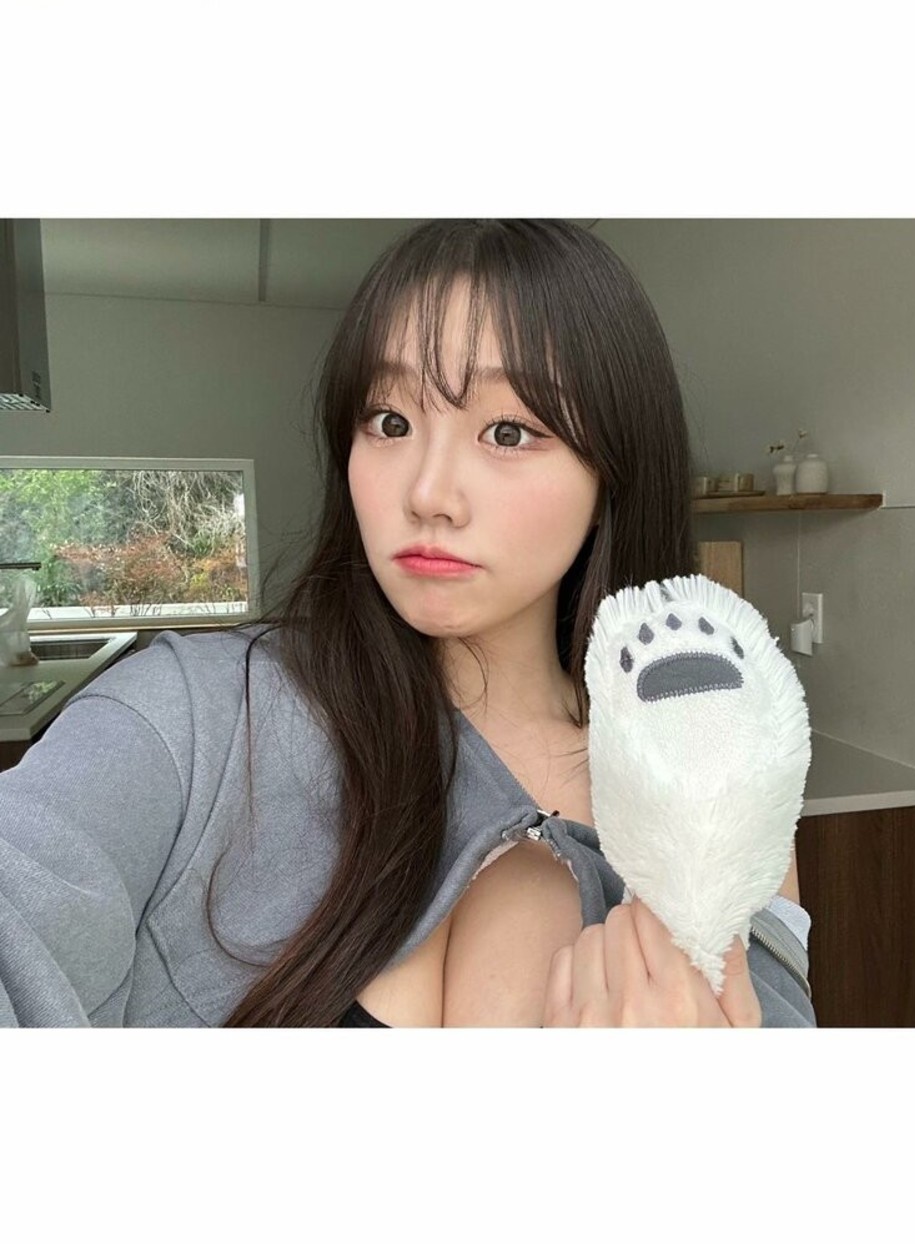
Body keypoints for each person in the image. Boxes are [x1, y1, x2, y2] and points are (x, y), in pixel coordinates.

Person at [0, 219, 813, 1028]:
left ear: (612, 473)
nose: (427, 493)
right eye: (390, 422)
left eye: (507, 431)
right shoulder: (189, 717)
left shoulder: (712, 758)